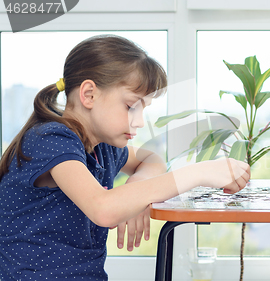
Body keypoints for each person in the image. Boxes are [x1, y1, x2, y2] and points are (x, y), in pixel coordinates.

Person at [0, 35, 250, 280]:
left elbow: (152, 160)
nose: (139, 122)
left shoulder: (102, 146)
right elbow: (103, 209)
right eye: (131, 106)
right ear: (89, 94)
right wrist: (198, 172)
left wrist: (136, 191)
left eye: (144, 109)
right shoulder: (51, 139)